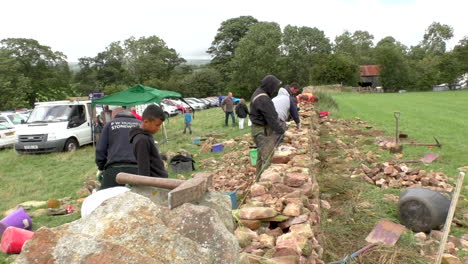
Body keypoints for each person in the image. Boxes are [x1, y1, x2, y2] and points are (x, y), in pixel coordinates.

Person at [250, 75, 286, 177]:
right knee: (267, 159)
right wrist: (282, 131)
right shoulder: (263, 99)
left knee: (260, 158)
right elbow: (271, 119)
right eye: (274, 86)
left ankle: (258, 180)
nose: (275, 89)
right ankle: (265, 184)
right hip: (263, 131)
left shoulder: (258, 92)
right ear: (270, 86)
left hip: (257, 130)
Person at [95, 110, 141, 190]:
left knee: (106, 199)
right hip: (138, 170)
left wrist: (101, 167)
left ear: (115, 116)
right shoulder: (141, 125)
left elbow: (100, 150)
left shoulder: (109, 125)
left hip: (114, 169)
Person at [129, 104, 168, 178]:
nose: (159, 128)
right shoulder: (142, 140)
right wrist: (145, 187)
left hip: (159, 180)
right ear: (146, 122)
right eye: (157, 125)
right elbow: (143, 169)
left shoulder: (146, 137)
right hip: (154, 183)